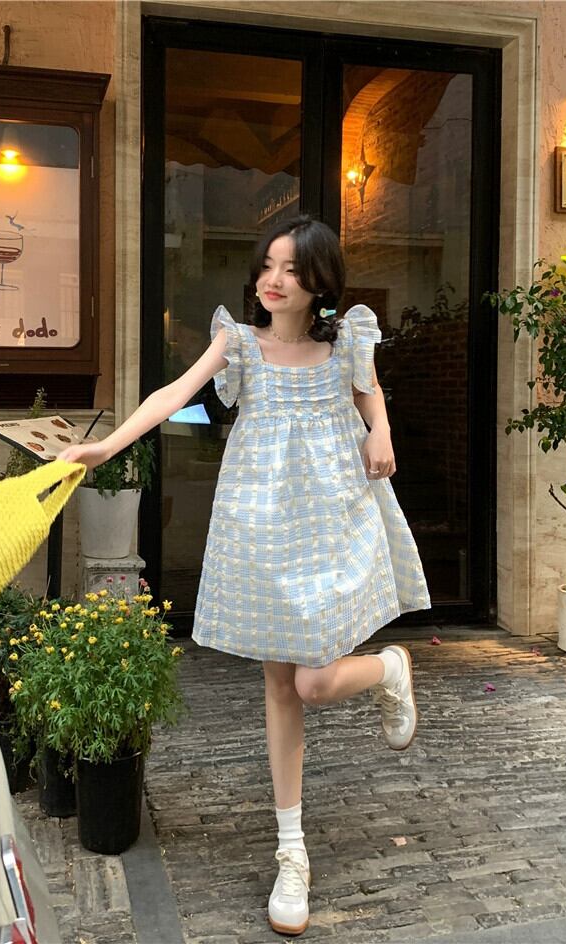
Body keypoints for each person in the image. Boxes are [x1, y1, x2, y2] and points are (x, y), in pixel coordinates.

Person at [60, 216, 430, 937]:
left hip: (331, 517)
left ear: (319, 281)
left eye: (290, 269)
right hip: (261, 523)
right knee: (281, 685)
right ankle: (292, 853)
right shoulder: (239, 344)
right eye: (267, 265)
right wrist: (105, 447)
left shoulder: (345, 343)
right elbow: (173, 394)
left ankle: (389, 668)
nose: (273, 279)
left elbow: (369, 393)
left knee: (315, 682)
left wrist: (381, 430)